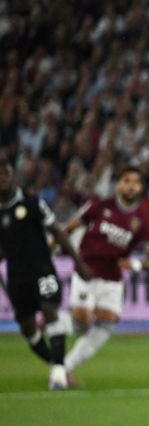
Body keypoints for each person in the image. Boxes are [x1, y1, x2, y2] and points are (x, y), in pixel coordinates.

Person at [0, 157, 93, 389]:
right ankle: (58, 366)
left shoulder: (32, 204)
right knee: (28, 329)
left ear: (12, 177)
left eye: (5, 174)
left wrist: (79, 263)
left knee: (50, 309)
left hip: (42, 268)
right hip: (16, 276)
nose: (2, 179)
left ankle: (59, 375)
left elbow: (58, 232)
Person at [62, 166, 149, 379]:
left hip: (112, 279)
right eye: (126, 180)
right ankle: (53, 324)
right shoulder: (98, 206)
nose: (131, 186)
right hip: (86, 272)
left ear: (141, 187)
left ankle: (65, 368)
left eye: (135, 182)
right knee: (81, 322)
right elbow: (67, 229)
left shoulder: (145, 220)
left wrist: (135, 265)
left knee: (107, 323)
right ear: (118, 184)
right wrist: (52, 248)